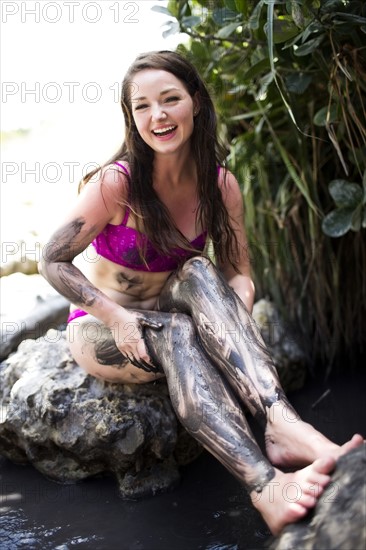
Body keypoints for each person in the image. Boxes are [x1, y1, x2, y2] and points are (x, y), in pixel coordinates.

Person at [39, 50, 363, 536]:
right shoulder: (117, 184)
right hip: (103, 329)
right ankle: (263, 485)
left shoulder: (220, 186)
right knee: (178, 334)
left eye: (170, 99)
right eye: (143, 106)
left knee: (198, 268)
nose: (158, 115)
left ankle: (281, 423)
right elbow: (51, 259)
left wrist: (231, 325)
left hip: (172, 303)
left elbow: (240, 276)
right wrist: (116, 316)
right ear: (131, 117)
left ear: (196, 103)